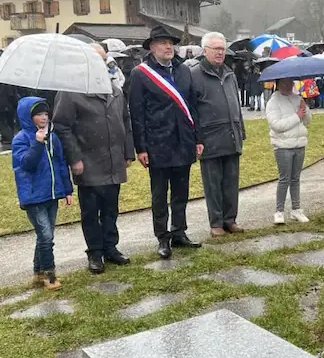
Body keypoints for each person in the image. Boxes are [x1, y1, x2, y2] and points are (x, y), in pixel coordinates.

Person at [52, 43, 135, 274]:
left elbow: (126, 121)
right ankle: (95, 252)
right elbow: (61, 126)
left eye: (103, 58)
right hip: (88, 162)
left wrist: (128, 151)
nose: (102, 63)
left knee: (111, 208)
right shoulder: (71, 91)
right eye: (95, 59)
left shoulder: (114, 89)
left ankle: (111, 247)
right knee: (91, 211)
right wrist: (75, 158)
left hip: (113, 160)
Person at [128, 26, 202, 260]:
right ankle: (163, 237)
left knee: (181, 191)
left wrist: (197, 138)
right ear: (152, 47)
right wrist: (141, 147)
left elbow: (192, 106)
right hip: (157, 142)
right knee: (159, 194)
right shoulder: (141, 74)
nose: (168, 47)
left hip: (183, 140)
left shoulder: (183, 71)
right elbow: (136, 113)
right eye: (162, 43)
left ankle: (179, 232)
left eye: (170, 43)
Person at [12, 97, 73, 290]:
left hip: (52, 194)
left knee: (45, 235)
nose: (44, 118)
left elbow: (61, 163)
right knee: (46, 236)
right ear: (28, 117)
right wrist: (37, 144)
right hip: (33, 196)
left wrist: (67, 189)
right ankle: (49, 274)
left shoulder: (53, 138)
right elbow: (27, 165)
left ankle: (37, 272)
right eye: (38, 114)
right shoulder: (21, 139)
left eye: (46, 113)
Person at [190, 32, 246, 238]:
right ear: (205, 51)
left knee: (231, 182)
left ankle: (230, 220)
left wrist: (241, 131)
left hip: (232, 135)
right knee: (213, 185)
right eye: (216, 49)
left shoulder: (229, 73)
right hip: (210, 139)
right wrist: (197, 138)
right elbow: (192, 110)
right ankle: (216, 223)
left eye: (223, 48)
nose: (220, 52)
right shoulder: (194, 75)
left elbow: (236, 105)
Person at [266, 78, 312, 225]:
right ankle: (279, 211)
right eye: (284, 83)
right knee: (284, 179)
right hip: (283, 145)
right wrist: (296, 116)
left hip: (299, 143)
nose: (288, 86)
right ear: (278, 84)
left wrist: (305, 109)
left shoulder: (297, 99)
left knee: (295, 178)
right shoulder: (273, 102)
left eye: (290, 83)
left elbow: (307, 121)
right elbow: (277, 125)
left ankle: (296, 209)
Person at [0, 83, 18, 149]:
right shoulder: (8, 82)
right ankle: (8, 138)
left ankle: (8, 138)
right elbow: (11, 94)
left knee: (3, 123)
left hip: (5, 104)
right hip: (7, 104)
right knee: (8, 122)